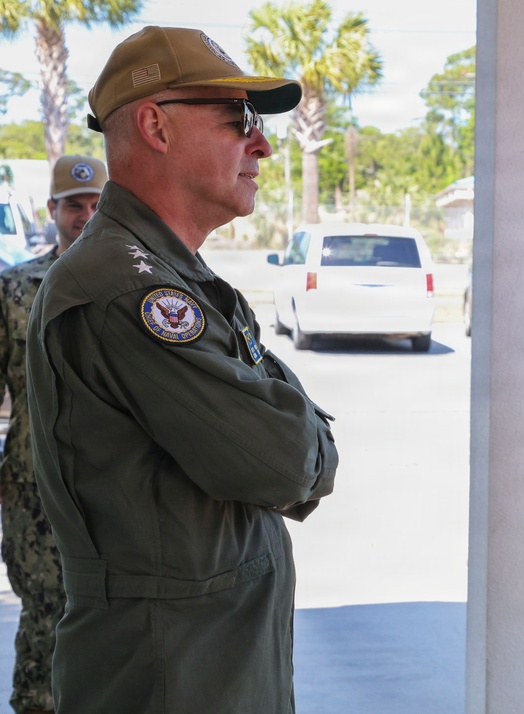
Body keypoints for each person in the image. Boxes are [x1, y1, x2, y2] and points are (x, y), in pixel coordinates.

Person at [25, 26, 338, 713]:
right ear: (156, 126)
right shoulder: (126, 288)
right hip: (169, 675)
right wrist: (305, 437)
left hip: (203, 664)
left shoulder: (165, 275)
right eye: (238, 120)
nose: (260, 144)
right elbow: (286, 461)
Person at [0, 154, 106, 714]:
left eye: (96, 205)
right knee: (44, 619)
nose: (85, 216)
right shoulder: (15, 290)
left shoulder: (133, 289)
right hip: (33, 492)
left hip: (116, 493)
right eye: (74, 205)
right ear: (52, 210)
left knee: (117, 630)